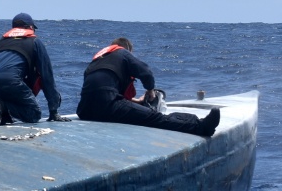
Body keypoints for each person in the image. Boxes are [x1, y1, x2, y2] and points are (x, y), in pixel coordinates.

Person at [77, 37, 220, 137]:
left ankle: (197, 121)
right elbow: (146, 72)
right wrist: (150, 91)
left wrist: (137, 102)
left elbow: (103, 93)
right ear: (128, 50)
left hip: (85, 111)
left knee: (141, 113)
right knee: (155, 118)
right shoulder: (122, 53)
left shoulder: (95, 63)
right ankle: (202, 127)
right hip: (108, 107)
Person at [0, 13, 65, 126]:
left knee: (0, 95)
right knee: (33, 114)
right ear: (30, 27)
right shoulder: (35, 42)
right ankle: (1, 105)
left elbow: (1, 70)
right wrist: (53, 111)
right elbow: (47, 76)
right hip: (10, 81)